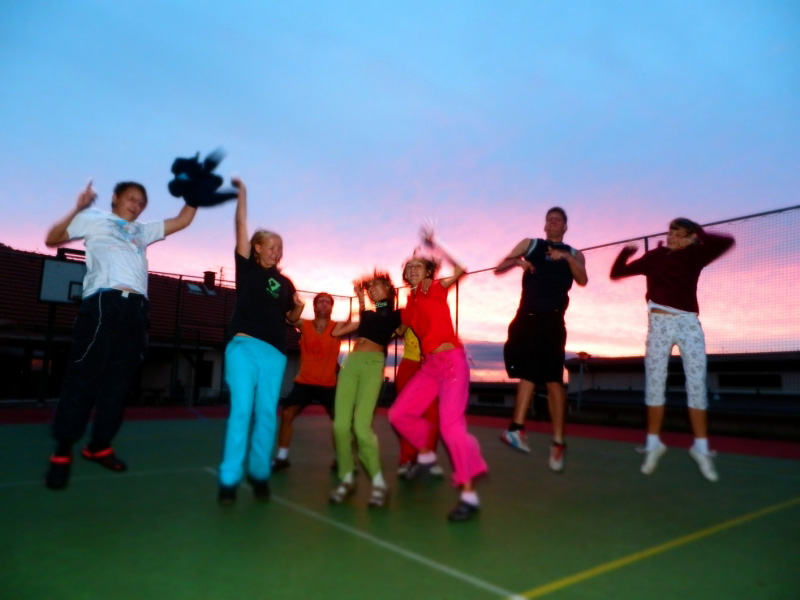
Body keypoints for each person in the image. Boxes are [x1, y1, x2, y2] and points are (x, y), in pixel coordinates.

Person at [43, 179, 197, 490]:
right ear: (115, 198)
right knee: (83, 380)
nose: (136, 205)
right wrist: (78, 207)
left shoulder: (143, 231)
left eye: (141, 202)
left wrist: (195, 195)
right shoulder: (95, 219)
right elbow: (52, 239)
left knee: (118, 386)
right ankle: (62, 451)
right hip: (103, 304)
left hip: (135, 311)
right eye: (131, 198)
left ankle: (99, 445)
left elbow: (183, 220)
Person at [610, 218, 734, 482]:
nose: (672, 237)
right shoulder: (654, 257)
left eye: (679, 234)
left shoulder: (696, 254)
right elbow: (617, 273)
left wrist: (698, 235)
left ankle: (701, 447)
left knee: (696, 384)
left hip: (688, 323)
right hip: (659, 324)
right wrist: (626, 252)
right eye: (670, 232)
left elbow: (727, 241)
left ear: (691, 237)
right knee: (655, 383)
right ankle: (653, 444)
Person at [388, 224, 488, 522]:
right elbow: (394, 326)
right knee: (398, 414)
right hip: (429, 366)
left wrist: (436, 243)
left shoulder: (434, 288)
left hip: (451, 363)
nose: (413, 269)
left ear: (428, 272)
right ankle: (427, 455)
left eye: (419, 266)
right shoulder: (409, 305)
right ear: (405, 276)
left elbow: (461, 268)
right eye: (409, 267)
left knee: (451, 429)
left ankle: (468, 496)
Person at [217, 178, 304, 504]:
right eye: (271, 246)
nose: (277, 251)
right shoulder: (247, 268)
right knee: (241, 411)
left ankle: (259, 474)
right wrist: (242, 193)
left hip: (274, 354)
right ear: (256, 247)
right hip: (243, 347)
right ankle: (229, 480)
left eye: (280, 248)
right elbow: (241, 224)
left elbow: (291, 320)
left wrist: (297, 309)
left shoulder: (286, 283)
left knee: (267, 414)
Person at [494, 207, 587, 472]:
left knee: (553, 381)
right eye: (549, 219)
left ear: (565, 227)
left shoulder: (575, 253)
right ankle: (516, 430)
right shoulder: (531, 244)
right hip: (526, 318)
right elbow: (499, 268)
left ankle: (557, 442)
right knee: (527, 373)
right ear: (545, 225)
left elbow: (582, 279)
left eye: (558, 219)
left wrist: (565, 257)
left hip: (552, 321)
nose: (553, 222)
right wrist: (517, 262)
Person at [329, 272, 401, 508]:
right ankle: (347, 478)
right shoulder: (368, 315)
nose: (373, 290)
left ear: (389, 290)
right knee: (340, 426)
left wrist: (369, 297)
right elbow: (363, 317)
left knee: (361, 427)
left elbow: (385, 312)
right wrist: (361, 297)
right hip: (351, 364)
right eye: (371, 288)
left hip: (372, 365)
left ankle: (379, 483)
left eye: (378, 286)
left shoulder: (394, 314)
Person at [272, 292, 346, 472]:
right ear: (314, 306)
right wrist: (296, 304)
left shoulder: (338, 327)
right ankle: (282, 458)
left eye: (328, 302)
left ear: (332, 307)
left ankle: (341, 460)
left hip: (328, 383)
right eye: (320, 301)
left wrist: (374, 305)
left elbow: (362, 323)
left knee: (341, 421)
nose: (324, 304)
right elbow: (290, 319)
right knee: (287, 414)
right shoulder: (304, 324)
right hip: (305, 382)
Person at [393, 327, 442, 477]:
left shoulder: (437, 314)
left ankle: (428, 459)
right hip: (409, 364)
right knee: (406, 415)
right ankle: (407, 459)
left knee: (432, 416)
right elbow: (392, 324)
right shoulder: (406, 315)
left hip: (431, 364)